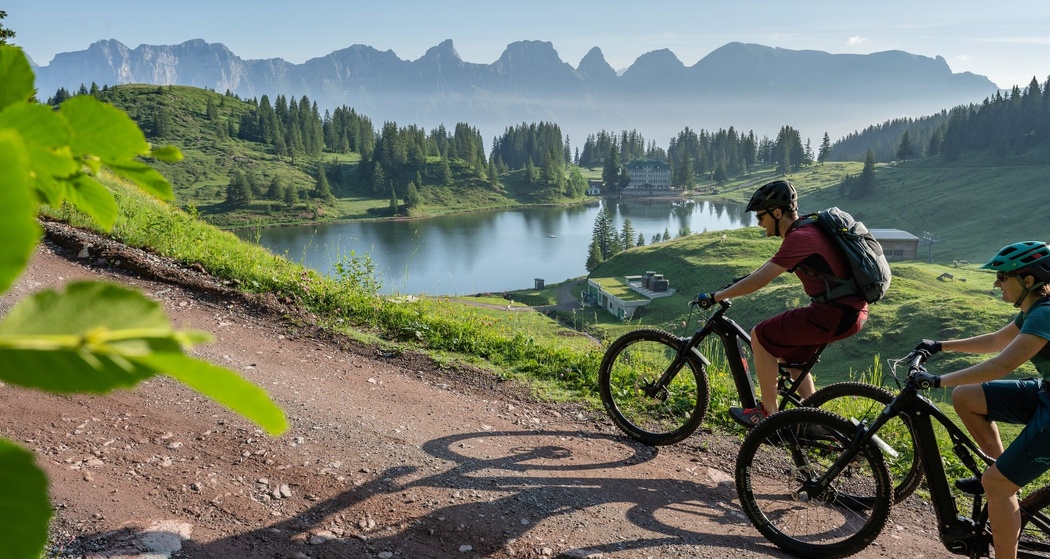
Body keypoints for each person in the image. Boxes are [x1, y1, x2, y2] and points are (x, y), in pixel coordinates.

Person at [911, 241, 1050, 559]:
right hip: (1046, 392)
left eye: (1003, 276)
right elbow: (996, 341)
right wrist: (939, 345)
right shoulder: (1035, 308)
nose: (996, 283)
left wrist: (937, 380)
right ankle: (1002, 476)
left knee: (997, 485)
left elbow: (1001, 364)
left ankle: (1001, 492)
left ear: (1028, 280)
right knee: (967, 397)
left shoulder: (1044, 315)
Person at [695, 179, 869, 427]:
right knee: (790, 358)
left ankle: (767, 415)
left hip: (836, 314)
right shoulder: (807, 230)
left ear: (777, 213)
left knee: (761, 336)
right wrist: (737, 283)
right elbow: (765, 270)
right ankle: (818, 423)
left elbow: (761, 280)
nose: (758, 222)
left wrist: (716, 296)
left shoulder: (801, 237)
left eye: (761, 216)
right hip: (847, 312)